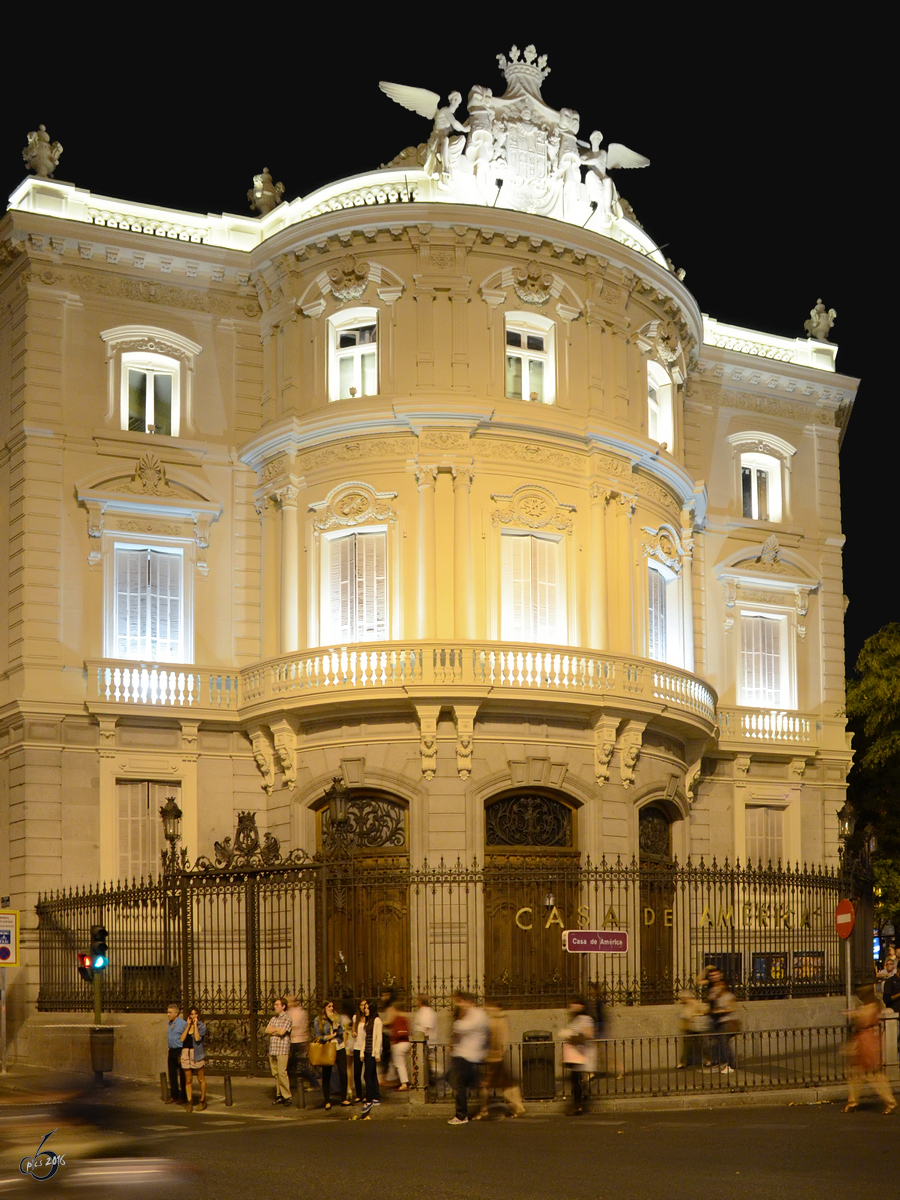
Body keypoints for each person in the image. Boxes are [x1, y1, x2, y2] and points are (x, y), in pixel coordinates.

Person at [844, 984, 896, 1114]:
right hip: (867, 1040)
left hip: (866, 1042)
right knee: (856, 1074)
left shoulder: (869, 1007)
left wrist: (853, 1015)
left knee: (873, 1075)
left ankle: (890, 1101)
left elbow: (863, 1021)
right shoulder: (873, 1005)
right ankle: (853, 1102)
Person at [475, 999, 525, 1119]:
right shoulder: (495, 1019)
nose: (486, 1008)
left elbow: (499, 1040)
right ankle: (516, 1106)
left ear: (495, 1007)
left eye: (489, 1006)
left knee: (490, 1084)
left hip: (494, 1057)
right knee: (505, 1084)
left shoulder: (496, 1020)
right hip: (493, 1057)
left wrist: (495, 1052)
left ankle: (485, 1109)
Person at [447, 991, 488, 1125]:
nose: (459, 1005)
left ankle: (461, 1115)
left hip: (469, 1055)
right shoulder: (469, 1014)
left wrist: (457, 1023)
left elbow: (461, 1027)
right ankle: (482, 1108)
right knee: (467, 1083)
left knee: (461, 1084)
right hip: (463, 1054)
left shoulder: (477, 1015)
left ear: (468, 1001)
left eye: (460, 1002)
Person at [557, 996, 596, 1115]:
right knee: (576, 1079)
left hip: (580, 1053)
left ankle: (578, 1105)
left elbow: (588, 1034)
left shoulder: (585, 1018)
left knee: (576, 1080)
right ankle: (580, 1100)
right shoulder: (575, 1018)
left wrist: (572, 1035)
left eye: (575, 1004)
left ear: (581, 1006)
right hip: (574, 1054)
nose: (572, 1006)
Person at [313, 999, 350, 1109]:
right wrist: (328, 1037)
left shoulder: (336, 1017)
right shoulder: (318, 1020)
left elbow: (340, 1032)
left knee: (343, 1072)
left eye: (332, 1006)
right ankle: (327, 1100)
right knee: (327, 1074)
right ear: (324, 1008)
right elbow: (318, 1036)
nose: (331, 1008)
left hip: (339, 1046)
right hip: (328, 1047)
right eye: (329, 1006)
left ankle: (344, 1098)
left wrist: (335, 1023)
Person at [285, 993, 319, 1097]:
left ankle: (313, 1083)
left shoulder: (293, 1013)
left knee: (294, 1064)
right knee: (293, 1064)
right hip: (301, 1039)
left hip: (296, 1041)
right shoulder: (302, 1011)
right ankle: (290, 1084)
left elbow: (293, 1027)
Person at [707, 969, 737, 1074]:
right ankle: (722, 1063)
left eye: (720, 986)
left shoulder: (728, 995)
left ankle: (729, 1064)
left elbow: (731, 1008)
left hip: (726, 1021)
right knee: (720, 1043)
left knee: (724, 1043)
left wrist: (719, 1010)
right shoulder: (717, 996)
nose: (718, 988)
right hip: (719, 1021)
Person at [357, 998, 383, 1119]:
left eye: (367, 1008)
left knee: (367, 1075)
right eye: (364, 1008)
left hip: (372, 1052)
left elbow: (378, 1038)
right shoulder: (368, 1021)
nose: (365, 1010)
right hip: (367, 1051)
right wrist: (362, 1052)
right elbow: (365, 1038)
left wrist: (377, 1053)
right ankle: (376, 1097)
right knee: (372, 1074)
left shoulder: (377, 1021)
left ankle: (369, 1099)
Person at [264, 997, 293, 1106]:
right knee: (275, 1073)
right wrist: (275, 1030)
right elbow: (267, 1030)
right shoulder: (273, 1019)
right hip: (273, 1049)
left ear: (283, 1006)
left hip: (282, 1049)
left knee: (282, 1072)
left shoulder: (287, 1019)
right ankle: (279, 1094)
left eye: (277, 1005)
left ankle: (287, 1095)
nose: (275, 1007)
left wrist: (274, 1030)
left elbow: (282, 1032)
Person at [179, 1006, 208, 1112]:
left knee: (201, 1079)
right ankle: (189, 1101)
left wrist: (195, 1025)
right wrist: (188, 1026)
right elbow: (182, 1039)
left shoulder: (202, 1026)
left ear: (198, 1015)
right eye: (191, 1014)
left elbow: (197, 1038)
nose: (193, 1016)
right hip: (186, 1053)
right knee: (188, 1080)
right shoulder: (185, 1026)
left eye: (195, 1013)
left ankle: (202, 1100)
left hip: (197, 1054)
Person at [676, 989, 710, 1068]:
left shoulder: (694, 1003)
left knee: (700, 1045)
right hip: (689, 1028)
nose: (683, 1000)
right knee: (688, 1047)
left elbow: (702, 1010)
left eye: (684, 998)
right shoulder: (687, 1004)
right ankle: (684, 1062)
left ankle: (707, 1059)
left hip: (696, 1028)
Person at [413, 995, 438, 1087]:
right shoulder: (422, 1012)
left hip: (427, 1042)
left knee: (428, 1065)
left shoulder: (427, 1012)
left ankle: (433, 1083)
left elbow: (426, 1027)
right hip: (421, 1042)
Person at [165, 1003, 187, 1105]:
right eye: (168, 1012)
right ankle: (174, 1095)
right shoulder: (170, 1023)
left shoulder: (182, 1024)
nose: (168, 1014)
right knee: (172, 1074)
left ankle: (184, 1096)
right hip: (171, 1050)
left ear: (176, 1013)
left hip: (179, 1050)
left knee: (182, 1075)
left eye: (170, 1012)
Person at [390, 1003, 411, 1092]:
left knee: (400, 1065)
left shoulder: (398, 1018)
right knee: (402, 1064)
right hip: (407, 1043)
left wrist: (392, 1042)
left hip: (399, 1044)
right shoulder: (405, 1018)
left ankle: (404, 1083)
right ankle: (401, 1081)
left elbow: (398, 1032)